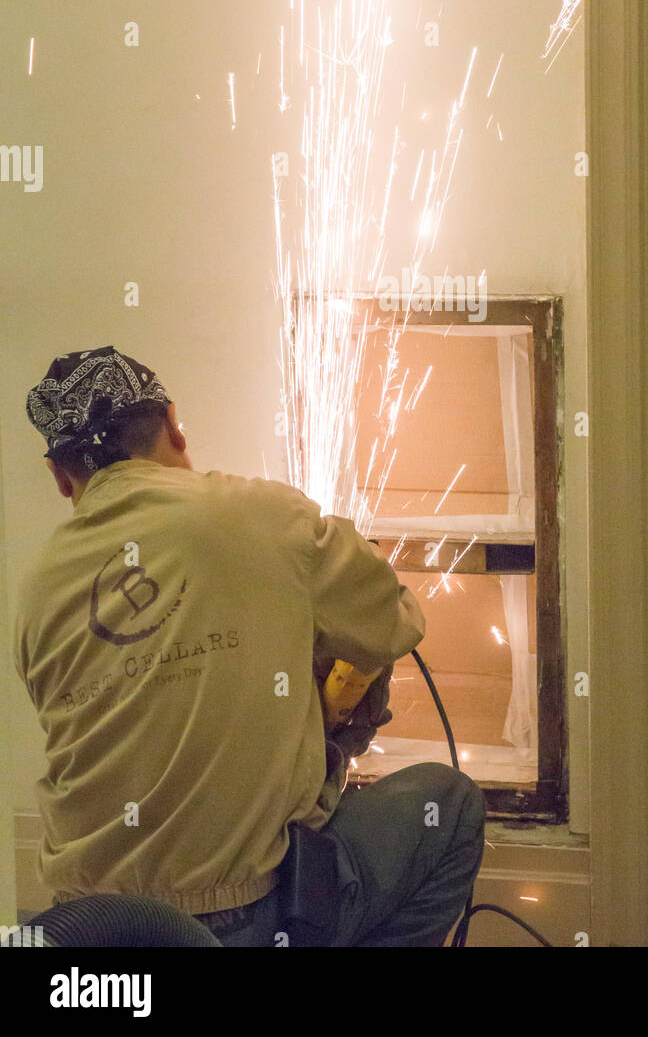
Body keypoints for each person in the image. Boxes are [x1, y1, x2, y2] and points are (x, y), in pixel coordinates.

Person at [14, 346, 486, 946]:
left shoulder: (37, 587)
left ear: (61, 478)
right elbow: (394, 623)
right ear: (175, 427)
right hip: (233, 921)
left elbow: (143, 713)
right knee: (449, 805)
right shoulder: (260, 515)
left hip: (85, 927)